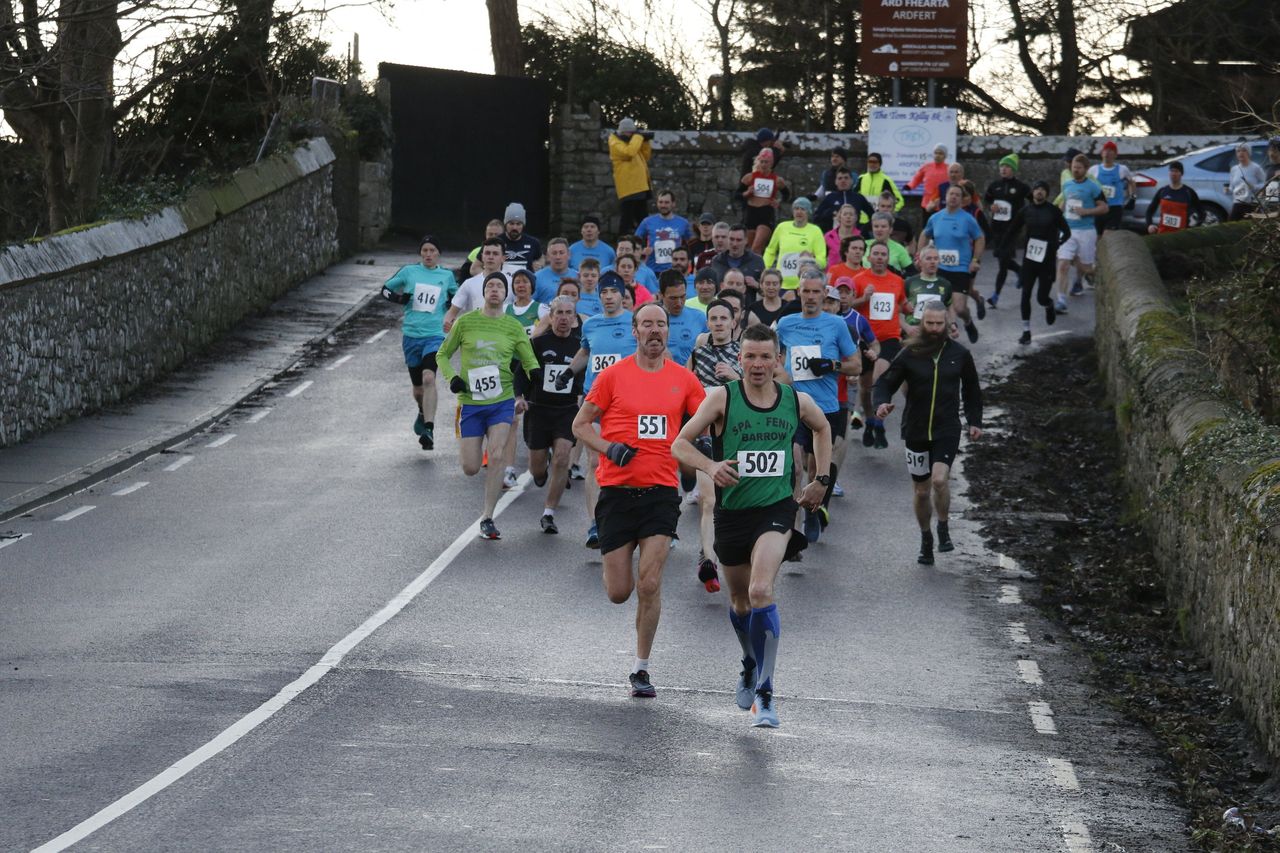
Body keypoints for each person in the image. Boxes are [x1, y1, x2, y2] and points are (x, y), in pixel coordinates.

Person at [673, 322, 830, 727]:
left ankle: (766, 689)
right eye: (750, 356)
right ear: (738, 359)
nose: (758, 364)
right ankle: (748, 660)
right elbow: (679, 443)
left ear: (778, 360)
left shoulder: (795, 400)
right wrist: (711, 465)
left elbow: (823, 428)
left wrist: (821, 480)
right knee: (741, 602)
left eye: (765, 357)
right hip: (732, 515)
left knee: (762, 590)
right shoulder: (722, 398)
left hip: (775, 510)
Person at [572, 302, 707, 698]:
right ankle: (615, 567)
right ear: (634, 330)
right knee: (620, 592)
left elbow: (707, 420)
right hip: (616, 494)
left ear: (669, 332)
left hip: (661, 495)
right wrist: (609, 448)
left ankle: (641, 668)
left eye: (661, 325)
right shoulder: (612, 377)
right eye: (647, 324)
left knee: (649, 583)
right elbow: (580, 424)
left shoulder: (684, 380)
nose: (654, 331)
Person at [873, 301, 982, 566]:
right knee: (921, 491)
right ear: (922, 324)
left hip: (947, 427)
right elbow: (885, 383)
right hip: (916, 428)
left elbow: (972, 390)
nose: (934, 329)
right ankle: (926, 538)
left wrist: (974, 420)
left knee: (939, 480)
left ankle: (943, 526)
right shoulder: (911, 353)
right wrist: (881, 403)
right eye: (929, 323)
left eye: (939, 324)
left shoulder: (959, 354)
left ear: (947, 324)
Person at [437, 272, 539, 540]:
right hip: (471, 403)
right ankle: (473, 447)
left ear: (506, 294)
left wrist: (534, 376)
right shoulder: (466, 322)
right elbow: (442, 355)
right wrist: (453, 378)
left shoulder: (513, 327)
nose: (494, 289)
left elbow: (529, 360)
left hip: (501, 400)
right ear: (483, 292)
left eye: (499, 286)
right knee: (470, 468)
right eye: (490, 286)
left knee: (495, 455)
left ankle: (487, 517)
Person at [776, 269, 860, 543]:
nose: (810, 296)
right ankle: (789, 528)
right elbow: (774, 357)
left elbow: (856, 365)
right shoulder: (786, 323)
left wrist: (831, 365)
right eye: (806, 291)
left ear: (824, 294)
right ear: (798, 292)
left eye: (815, 291)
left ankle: (812, 511)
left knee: (814, 470)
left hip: (825, 408)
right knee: (795, 468)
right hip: (793, 405)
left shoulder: (836, 325)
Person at [558, 272, 637, 548]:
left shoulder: (634, 322)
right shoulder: (590, 324)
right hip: (595, 399)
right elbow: (585, 353)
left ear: (621, 295)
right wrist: (568, 373)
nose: (608, 296)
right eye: (604, 292)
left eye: (613, 292)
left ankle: (638, 520)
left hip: (627, 401)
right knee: (594, 462)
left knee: (631, 461)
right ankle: (594, 525)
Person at [686, 298, 744, 595]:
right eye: (714, 318)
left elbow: (763, 392)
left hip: (738, 438)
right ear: (707, 322)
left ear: (734, 322)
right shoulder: (697, 354)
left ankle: (728, 552)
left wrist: (736, 377)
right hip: (706, 436)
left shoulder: (744, 353)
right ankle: (708, 560)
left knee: (732, 502)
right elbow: (684, 389)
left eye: (724, 318)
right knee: (708, 500)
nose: (719, 323)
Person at [380, 235, 458, 451]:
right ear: (420, 253)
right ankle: (422, 412)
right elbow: (385, 289)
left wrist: (450, 308)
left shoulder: (447, 275)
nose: (428, 254)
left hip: (434, 335)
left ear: (438, 253)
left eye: (432, 250)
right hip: (411, 335)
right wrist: (399, 299)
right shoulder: (409, 272)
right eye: (425, 250)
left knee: (429, 377)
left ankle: (429, 429)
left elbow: (458, 297)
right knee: (417, 389)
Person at [516, 295, 583, 534]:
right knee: (538, 470)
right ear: (551, 317)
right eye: (559, 313)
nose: (564, 318)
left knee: (563, 456)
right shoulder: (538, 344)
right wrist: (519, 397)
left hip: (566, 411)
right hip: (538, 411)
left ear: (575, 319)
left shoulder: (581, 346)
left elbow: (587, 377)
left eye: (568, 313)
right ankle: (544, 475)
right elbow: (521, 373)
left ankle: (548, 513)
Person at [1000, 180, 1071, 344]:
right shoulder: (1025, 211)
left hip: (1047, 261)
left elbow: (1066, 232)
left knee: (1041, 297)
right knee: (1025, 295)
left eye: (1042, 190)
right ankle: (1026, 331)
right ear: (1032, 193)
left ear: (1047, 193)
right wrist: (1002, 249)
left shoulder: (1053, 211)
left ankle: (1048, 304)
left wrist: (1057, 244)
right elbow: (1012, 230)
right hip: (1030, 260)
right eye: (1036, 189)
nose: (1039, 192)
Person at [852, 243, 907, 449]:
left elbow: (901, 305)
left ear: (888, 257)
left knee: (878, 379)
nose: (880, 257)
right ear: (869, 256)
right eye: (876, 253)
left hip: (889, 339)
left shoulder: (897, 281)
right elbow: (848, 305)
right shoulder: (860, 280)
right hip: (866, 339)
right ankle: (870, 422)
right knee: (866, 388)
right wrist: (864, 298)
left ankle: (879, 423)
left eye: (883, 254)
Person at [922, 186, 986, 342]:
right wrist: (920, 256)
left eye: (958, 195)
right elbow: (925, 234)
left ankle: (968, 322)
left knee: (959, 308)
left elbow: (980, 238)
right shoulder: (936, 218)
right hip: (939, 268)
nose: (954, 197)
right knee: (939, 305)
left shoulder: (968, 219)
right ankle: (943, 337)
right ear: (946, 196)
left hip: (960, 268)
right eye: (951, 194)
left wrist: (975, 260)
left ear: (962, 199)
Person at [1055, 154, 1108, 310]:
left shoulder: (1094, 187)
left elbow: (1104, 207)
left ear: (1085, 169)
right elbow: (1064, 204)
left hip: (1086, 231)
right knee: (1062, 264)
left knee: (1086, 268)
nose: (1075, 170)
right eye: (1073, 167)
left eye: (1079, 168)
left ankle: (1104, 278)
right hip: (1068, 230)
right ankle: (1061, 300)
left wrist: (1086, 211)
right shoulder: (1067, 185)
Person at [983, 154, 1031, 307]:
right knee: (1000, 257)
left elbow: (1033, 200)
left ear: (1013, 170)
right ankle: (1020, 270)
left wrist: (1025, 216)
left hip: (1012, 230)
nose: (1004, 169)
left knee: (1003, 263)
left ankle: (995, 295)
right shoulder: (994, 185)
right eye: (1002, 166)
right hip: (996, 227)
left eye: (1007, 166)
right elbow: (987, 199)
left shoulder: (1021, 187)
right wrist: (991, 207)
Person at [763, 197, 827, 293]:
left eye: (803, 209)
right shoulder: (782, 227)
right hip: (781, 284)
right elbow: (770, 251)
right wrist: (766, 269)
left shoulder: (815, 231)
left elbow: (822, 260)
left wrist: (811, 262)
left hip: (803, 284)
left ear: (808, 212)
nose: (799, 212)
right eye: (796, 208)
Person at [446, 238, 510, 331]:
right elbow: (452, 313)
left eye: (495, 254)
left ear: (503, 258)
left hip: (503, 337)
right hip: (475, 337)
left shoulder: (512, 284)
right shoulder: (469, 284)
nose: (491, 257)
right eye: (487, 253)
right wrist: (448, 325)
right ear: (482, 256)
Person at [609, 117, 654, 235]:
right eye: (630, 132)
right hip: (628, 187)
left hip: (640, 185)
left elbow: (646, 156)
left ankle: (643, 240)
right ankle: (622, 240)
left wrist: (645, 142)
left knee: (642, 217)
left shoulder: (632, 142)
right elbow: (629, 153)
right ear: (623, 132)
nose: (631, 135)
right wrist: (638, 137)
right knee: (627, 217)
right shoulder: (615, 142)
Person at [636, 189, 693, 273]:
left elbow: (692, 244)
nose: (663, 205)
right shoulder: (647, 222)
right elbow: (635, 241)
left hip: (675, 270)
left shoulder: (683, 223)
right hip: (652, 270)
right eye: (660, 202)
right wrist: (642, 251)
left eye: (666, 202)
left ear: (673, 204)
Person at [660, 269, 709, 367]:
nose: (679, 303)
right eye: (673, 298)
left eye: (682, 297)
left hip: (691, 376)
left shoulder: (699, 317)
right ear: (661, 295)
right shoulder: (651, 319)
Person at [742, 148, 786, 253]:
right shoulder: (749, 178)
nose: (763, 165)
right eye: (761, 161)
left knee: (757, 247)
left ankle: (757, 268)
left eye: (766, 162)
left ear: (771, 163)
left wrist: (778, 201)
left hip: (766, 213)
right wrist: (747, 193)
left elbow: (787, 194)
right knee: (748, 249)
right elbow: (738, 195)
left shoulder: (777, 180)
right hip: (751, 213)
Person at [1146, 161, 1205, 235]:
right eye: (1172, 171)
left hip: (1182, 237)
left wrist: (1194, 228)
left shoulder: (1189, 192)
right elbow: (1149, 211)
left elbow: (1202, 213)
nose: (1173, 174)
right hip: (1163, 235)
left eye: (1176, 171)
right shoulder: (1162, 191)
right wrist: (1150, 225)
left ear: (1181, 174)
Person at [1087, 141, 1135, 233]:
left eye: (1110, 150)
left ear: (1115, 154)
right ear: (1101, 153)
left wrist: (1132, 197)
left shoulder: (1122, 169)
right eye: (1105, 150)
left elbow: (1132, 182)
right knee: (1097, 237)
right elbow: (1086, 185)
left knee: (1108, 236)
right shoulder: (1094, 170)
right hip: (1099, 207)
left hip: (1115, 208)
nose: (1107, 153)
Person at [709, 224, 766, 298]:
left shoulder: (757, 261)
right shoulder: (716, 261)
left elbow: (769, 291)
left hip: (747, 308)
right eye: (732, 239)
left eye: (739, 240)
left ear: (746, 240)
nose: (735, 244)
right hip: (723, 307)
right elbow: (711, 289)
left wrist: (757, 285)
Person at [813, 166, 875, 233]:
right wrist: (831, 213)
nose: (843, 180)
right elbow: (816, 218)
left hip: (855, 237)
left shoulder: (858, 197)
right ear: (836, 182)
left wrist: (862, 228)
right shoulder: (830, 197)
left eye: (846, 178)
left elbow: (873, 216)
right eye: (840, 178)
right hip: (835, 237)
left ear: (851, 181)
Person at [906, 144, 951, 212]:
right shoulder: (927, 166)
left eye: (940, 153)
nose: (937, 155)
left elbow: (956, 180)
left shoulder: (949, 168)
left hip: (942, 203)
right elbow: (917, 178)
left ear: (945, 156)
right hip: (927, 203)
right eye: (936, 153)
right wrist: (909, 186)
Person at [498, 203, 542, 271]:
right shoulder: (496, 242)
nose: (514, 227)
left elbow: (541, 257)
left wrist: (540, 264)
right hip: (501, 281)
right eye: (511, 223)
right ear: (505, 224)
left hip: (526, 281)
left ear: (523, 225)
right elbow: (476, 267)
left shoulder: (533, 242)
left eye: (518, 224)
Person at [1228, 144, 1267, 221]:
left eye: (1244, 150)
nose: (1241, 153)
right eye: (1238, 151)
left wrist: (1254, 186)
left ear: (1249, 153)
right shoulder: (1234, 169)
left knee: (1251, 226)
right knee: (1231, 224)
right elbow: (1232, 187)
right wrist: (1228, 189)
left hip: (1251, 203)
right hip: (1237, 203)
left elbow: (1265, 184)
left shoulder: (1256, 168)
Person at [534, 237, 579, 303]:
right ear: (548, 256)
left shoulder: (578, 277)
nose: (558, 257)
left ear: (569, 255)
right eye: (554, 253)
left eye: (561, 253)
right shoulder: (536, 278)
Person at [823, 204, 862, 271]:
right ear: (839, 217)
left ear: (856, 218)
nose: (848, 217)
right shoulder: (828, 236)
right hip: (832, 275)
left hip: (854, 275)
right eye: (845, 214)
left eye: (851, 214)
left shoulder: (861, 236)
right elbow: (822, 257)